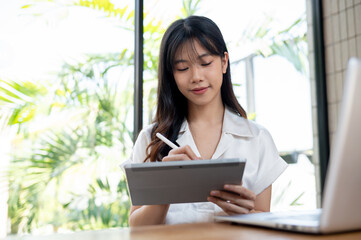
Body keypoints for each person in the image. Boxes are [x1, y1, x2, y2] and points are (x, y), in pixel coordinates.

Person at [127, 15, 287, 226]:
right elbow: (136, 227)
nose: (196, 76)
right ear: (172, 75)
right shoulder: (151, 139)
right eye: (183, 68)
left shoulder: (257, 139)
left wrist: (243, 212)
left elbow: (263, 221)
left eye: (205, 63)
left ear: (224, 62)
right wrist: (166, 189)